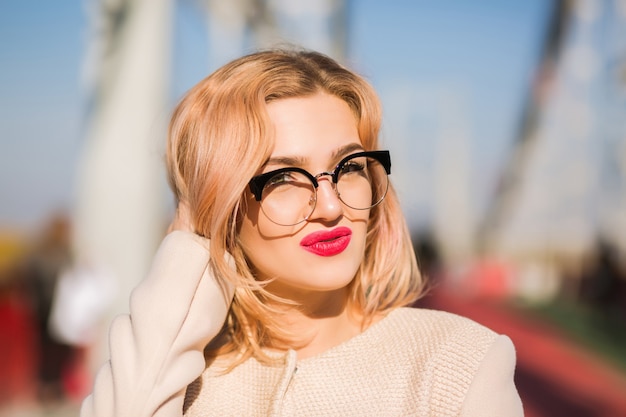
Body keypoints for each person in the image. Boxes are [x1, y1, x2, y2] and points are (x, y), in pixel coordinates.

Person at [80, 48, 523, 417]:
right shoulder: (178, 379)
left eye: (348, 167)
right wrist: (187, 257)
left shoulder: (457, 364)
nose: (331, 207)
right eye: (281, 178)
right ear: (218, 204)